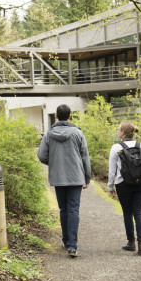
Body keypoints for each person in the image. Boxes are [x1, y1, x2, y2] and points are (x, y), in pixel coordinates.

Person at [37, 104, 91, 258]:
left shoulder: (49, 133)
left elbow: (41, 155)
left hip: (58, 177)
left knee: (63, 209)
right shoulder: (78, 133)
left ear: (56, 116)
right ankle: (72, 246)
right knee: (73, 209)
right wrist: (87, 177)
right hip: (76, 178)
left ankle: (66, 240)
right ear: (69, 116)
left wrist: (54, 163)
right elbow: (85, 157)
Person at [108, 121, 141, 256]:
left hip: (123, 184)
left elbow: (112, 171)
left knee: (128, 213)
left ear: (123, 133)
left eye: (119, 130)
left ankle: (131, 243)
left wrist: (110, 186)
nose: (118, 131)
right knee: (138, 212)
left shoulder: (116, 147)